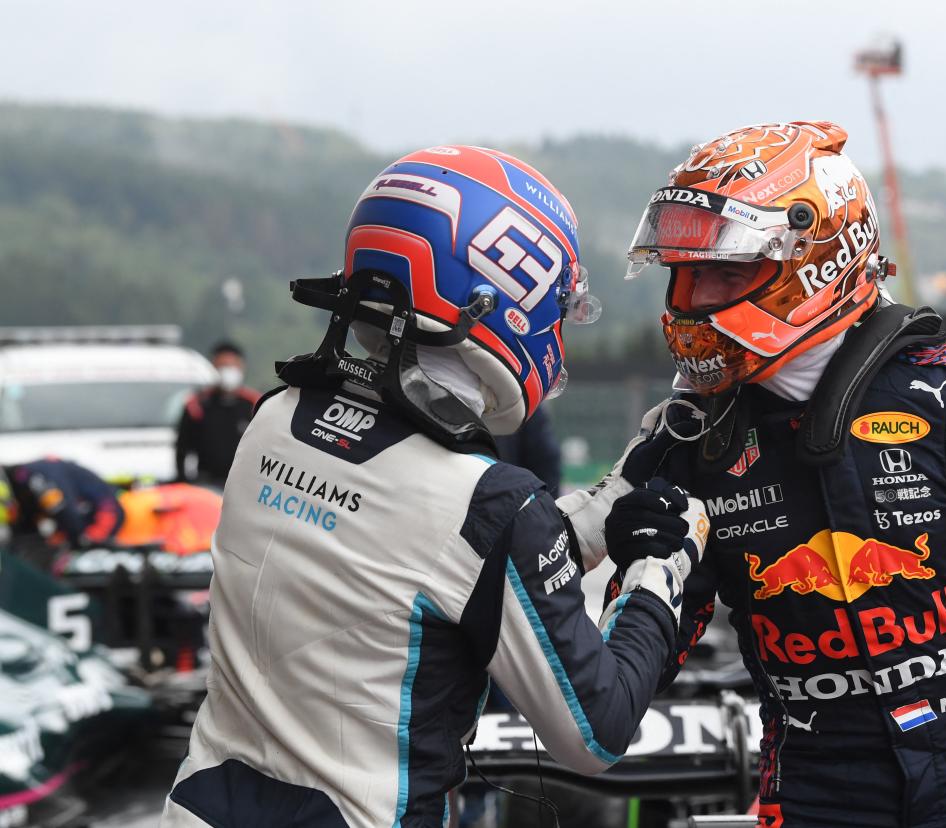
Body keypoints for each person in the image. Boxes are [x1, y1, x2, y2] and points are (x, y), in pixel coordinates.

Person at [560, 121, 946, 827]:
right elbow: (631, 683)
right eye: (682, 274)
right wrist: (640, 571)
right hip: (812, 795)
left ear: (815, 260)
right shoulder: (689, 441)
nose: (691, 300)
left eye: (723, 271)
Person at [160, 146, 708, 828]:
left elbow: (417, 560)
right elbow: (595, 731)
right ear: (504, 297)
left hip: (199, 807)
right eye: (558, 308)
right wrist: (663, 568)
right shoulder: (487, 501)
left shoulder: (273, 419)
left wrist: (598, 508)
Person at [174, 341, 262, 487]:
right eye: (222, 366)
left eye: (231, 366)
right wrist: (183, 482)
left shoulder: (255, 404)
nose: (227, 371)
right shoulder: (196, 405)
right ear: (213, 368)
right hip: (206, 482)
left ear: (241, 367)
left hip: (244, 483)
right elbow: (182, 449)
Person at [1, 457, 124, 549]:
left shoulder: (38, 480)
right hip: (78, 513)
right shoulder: (22, 476)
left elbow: (64, 509)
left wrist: (77, 540)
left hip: (103, 512)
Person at [495, 407, 562, 495]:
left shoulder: (526, 408)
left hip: (509, 495)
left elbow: (546, 459)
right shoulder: (524, 404)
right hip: (510, 496)